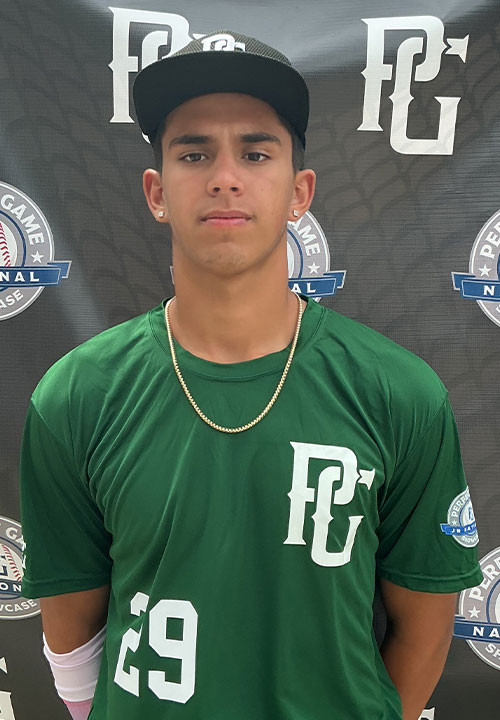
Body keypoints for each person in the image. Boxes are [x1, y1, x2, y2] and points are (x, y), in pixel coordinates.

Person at [19, 29, 482, 720]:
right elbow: (71, 631)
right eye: (194, 153)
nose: (225, 177)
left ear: (300, 192)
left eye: (256, 152)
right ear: (156, 192)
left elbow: (425, 625)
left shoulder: (400, 394)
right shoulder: (75, 397)